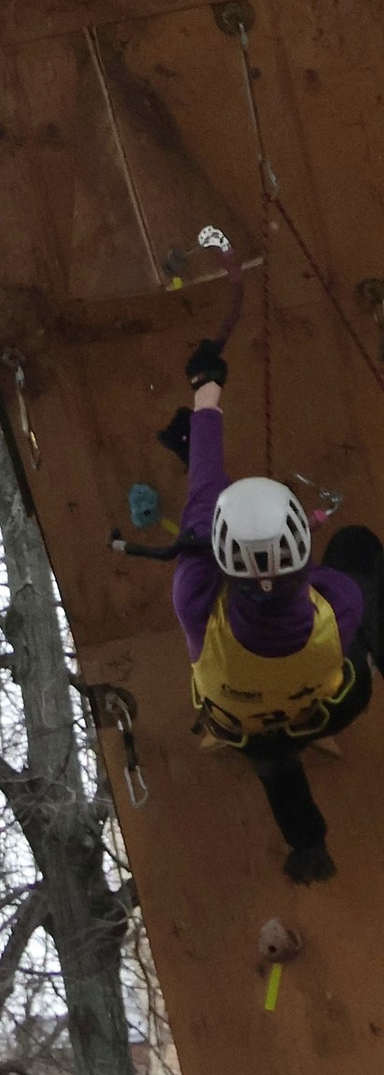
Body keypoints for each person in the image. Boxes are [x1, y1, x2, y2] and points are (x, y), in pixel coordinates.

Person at [170, 336, 384, 878]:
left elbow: (205, 489)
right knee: (358, 546)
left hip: (245, 727)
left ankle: (309, 846)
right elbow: (309, 584)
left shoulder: (195, 597)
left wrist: (206, 396)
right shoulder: (340, 599)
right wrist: (206, 391)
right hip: (333, 703)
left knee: (273, 760)